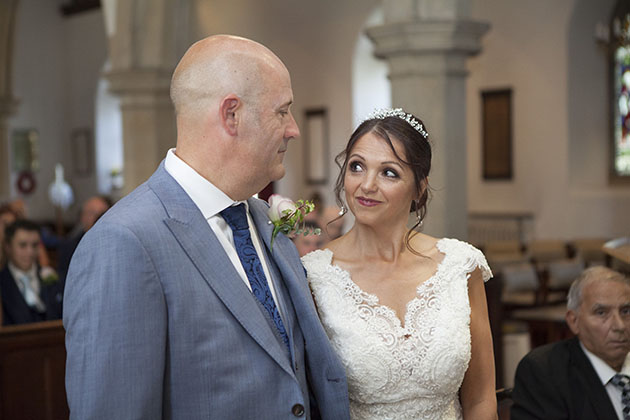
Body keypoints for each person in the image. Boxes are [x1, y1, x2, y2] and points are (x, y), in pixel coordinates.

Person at [63, 35, 349, 419]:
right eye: (282, 112)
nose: (293, 129)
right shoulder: (125, 243)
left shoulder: (264, 219)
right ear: (231, 114)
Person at [302, 108, 497, 419]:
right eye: (357, 167)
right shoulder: (314, 276)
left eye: (388, 172)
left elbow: (481, 399)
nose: (367, 185)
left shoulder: (461, 267)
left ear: (419, 188)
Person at [511, 266, 630, 420]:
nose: (619, 326)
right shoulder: (544, 372)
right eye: (601, 313)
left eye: (626, 311)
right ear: (574, 321)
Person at [0, 219, 63, 325]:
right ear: (8, 247)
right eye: (22, 245)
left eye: (34, 245)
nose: (30, 252)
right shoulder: (2, 281)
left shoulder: (52, 277)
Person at [56, 195, 111, 283]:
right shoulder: (70, 246)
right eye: (88, 213)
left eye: (101, 214)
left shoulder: (114, 244)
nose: (97, 219)